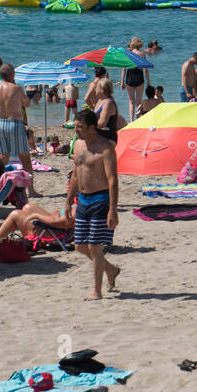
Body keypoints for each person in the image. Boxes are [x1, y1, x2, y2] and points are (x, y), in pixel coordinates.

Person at [67, 110, 120, 301]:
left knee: (94, 247)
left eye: (79, 127)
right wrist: (67, 202)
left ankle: (96, 291)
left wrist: (113, 210)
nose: (76, 130)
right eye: (75, 126)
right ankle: (111, 269)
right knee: (80, 247)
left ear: (92, 127)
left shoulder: (105, 148)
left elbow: (113, 180)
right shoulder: (78, 145)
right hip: (82, 200)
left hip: (101, 200)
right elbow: (75, 174)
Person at [0, 200, 74, 251]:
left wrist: (37, 216)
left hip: (55, 233)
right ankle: (26, 239)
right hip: (56, 227)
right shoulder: (81, 204)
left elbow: (63, 223)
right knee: (28, 206)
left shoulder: (78, 209)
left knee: (15, 214)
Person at [121, 37, 148, 118]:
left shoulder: (127, 54)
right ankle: (138, 119)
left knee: (131, 102)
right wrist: (148, 82)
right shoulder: (142, 54)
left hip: (130, 78)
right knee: (138, 102)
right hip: (139, 77)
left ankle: (131, 121)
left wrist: (122, 81)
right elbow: (145, 70)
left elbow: (123, 69)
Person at [91, 77, 124, 142]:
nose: (95, 89)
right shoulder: (100, 100)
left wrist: (88, 124)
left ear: (102, 90)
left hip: (107, 137)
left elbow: (102, 123)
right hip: (100, 134)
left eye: (97, 87)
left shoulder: (108, 103)